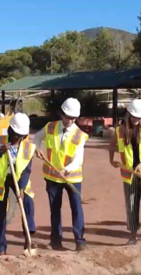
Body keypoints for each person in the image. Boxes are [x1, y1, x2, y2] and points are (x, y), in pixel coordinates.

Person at [33, 97, 88, 251]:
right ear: (61, 114)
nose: (70, 120)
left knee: (76, 208)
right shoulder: (50, 127)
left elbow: (78, 159)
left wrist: (67, 169)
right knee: (55, 210)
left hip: (72, 177)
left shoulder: (80, 135)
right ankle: (56, 240)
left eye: (73, 118)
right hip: (52, 177)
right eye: (67, 117)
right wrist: (37, 148)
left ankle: (80, 240)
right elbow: (36, 138)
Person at [0, 113, 36, 256]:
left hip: (18, 179)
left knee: (28, 204)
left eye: (20, 135)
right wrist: (0, 151)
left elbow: (27, 169)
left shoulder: (28, 147)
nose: (17, 138)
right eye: (15, 134)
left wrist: (21, 189)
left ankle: (29, 239)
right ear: (10, 130)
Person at [109, 99, 141, 244]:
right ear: (129, 115)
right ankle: (133, 236)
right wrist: (111, 159)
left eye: (140, 117)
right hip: (129, 174)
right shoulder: (120, 130)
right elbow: (112, 145)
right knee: (131, 204)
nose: (136, 119)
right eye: (134, 116)